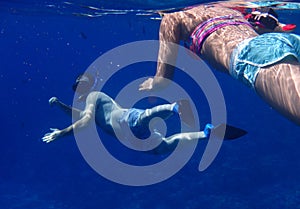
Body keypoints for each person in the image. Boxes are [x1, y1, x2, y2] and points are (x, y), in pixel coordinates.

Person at [139, 4, 300, 125]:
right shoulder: (226, 8)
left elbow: (163, 79)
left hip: (252, 55)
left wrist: (154, 84)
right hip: (284, 42)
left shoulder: (173, 17)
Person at [42, 74, 247, 154]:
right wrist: (59, 105)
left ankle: (174, 107)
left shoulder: (93, 96)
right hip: (130, 136)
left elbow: (85, 121)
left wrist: (61, 133)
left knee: (142, 119)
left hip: (125, 122)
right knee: (163, 145)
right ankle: (206, 133)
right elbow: (80, 115)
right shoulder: (90, 102)